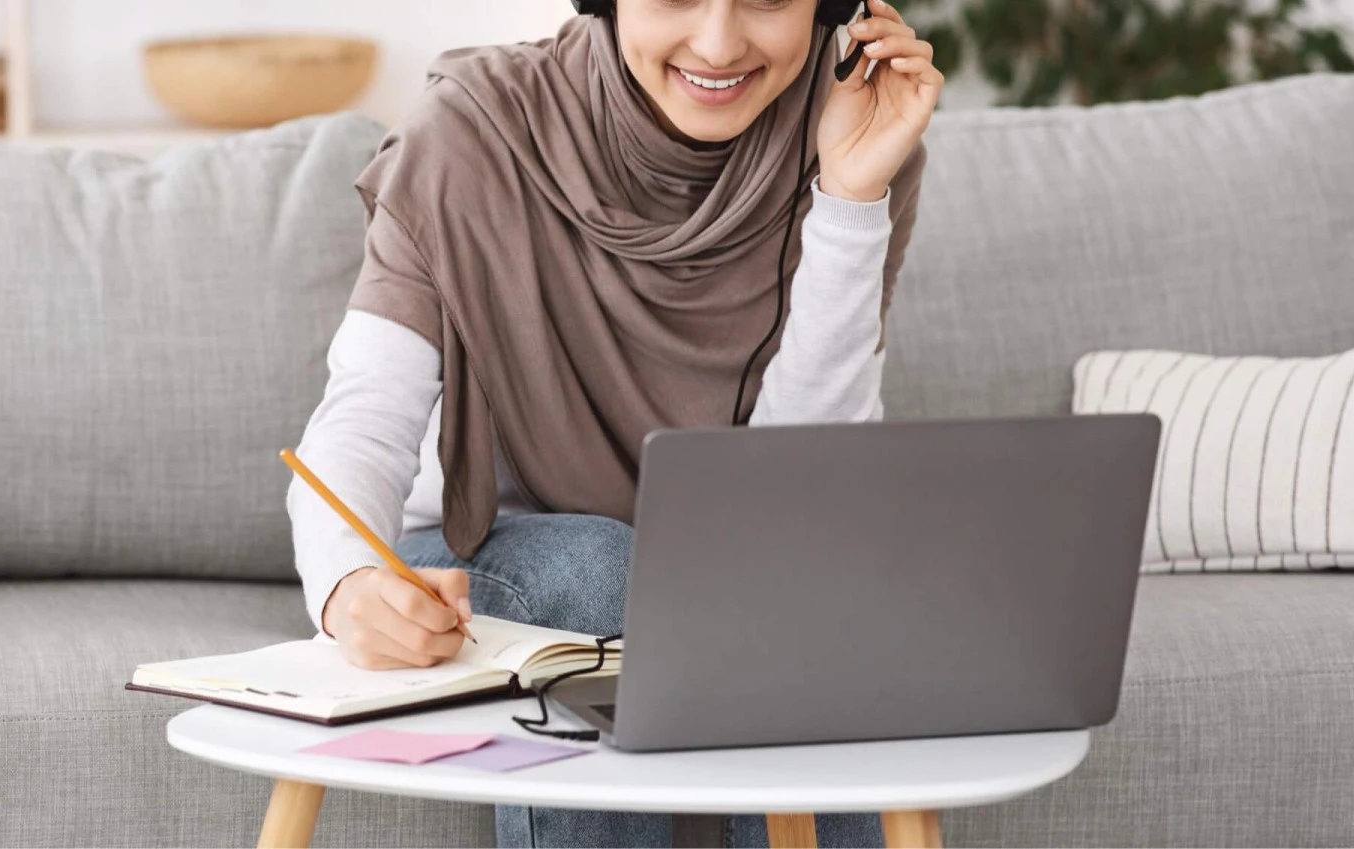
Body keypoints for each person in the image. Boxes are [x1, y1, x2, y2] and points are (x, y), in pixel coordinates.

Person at [289, 0, 942, 845]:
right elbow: (365, 416)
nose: (718, 42)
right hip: (488, 555)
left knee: (831, 604)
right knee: (606, 569)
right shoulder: (471, 131)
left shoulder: (856, 125)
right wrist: (349, 584)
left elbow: (798, 494)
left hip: (722, 566)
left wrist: (850, 199)